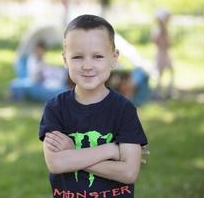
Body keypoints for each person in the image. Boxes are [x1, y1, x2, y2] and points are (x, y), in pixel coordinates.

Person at [39, 14, 148, 198]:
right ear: (65, 59)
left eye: (97, 56)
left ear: (114, 58)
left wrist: (72, 154)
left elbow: (129, 173)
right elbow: (56, 163)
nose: (87, 65)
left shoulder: (124, 109)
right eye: (78, 57)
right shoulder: (55, 108)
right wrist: (112, 150)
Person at [151, 8, 174, 99]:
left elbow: (169, 43)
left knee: (170, 72)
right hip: (161, 53)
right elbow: (155, 41)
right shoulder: (158, 30)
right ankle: (158, 92)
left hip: (165, 53)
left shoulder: (164, 30)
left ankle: (168, 90)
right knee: (160, 73)